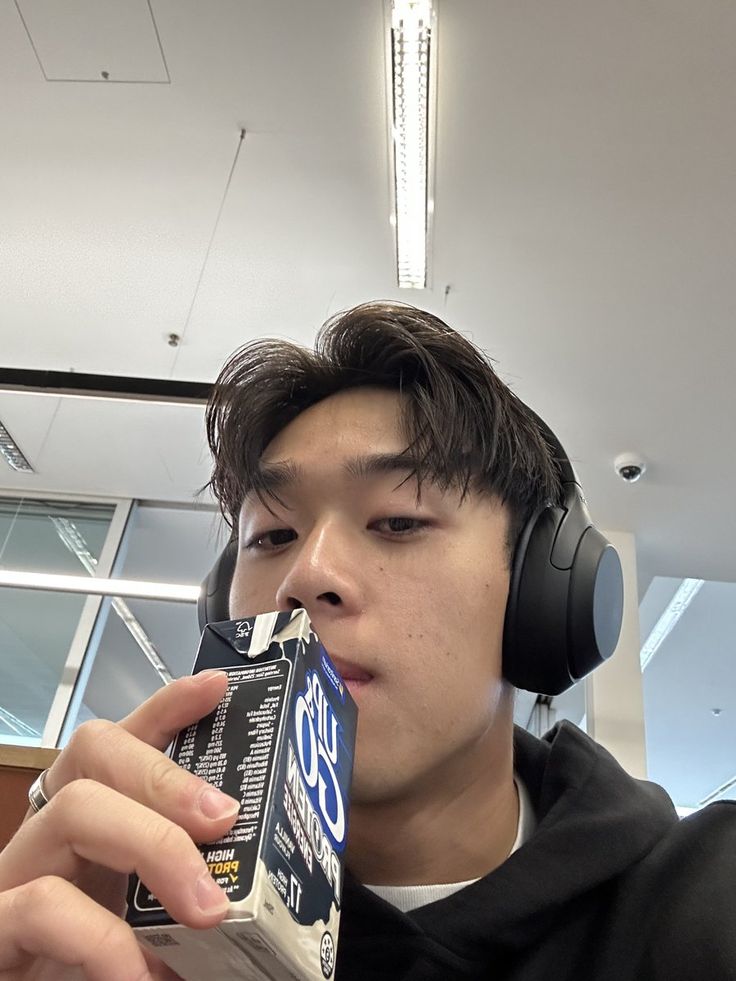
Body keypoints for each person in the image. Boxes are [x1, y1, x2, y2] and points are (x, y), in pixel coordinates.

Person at [0, 302, 733, 980]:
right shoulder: (140, 909)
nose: (305, 575)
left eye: (398, 521)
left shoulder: (703, 906)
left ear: (546, 596)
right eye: (274, 535)